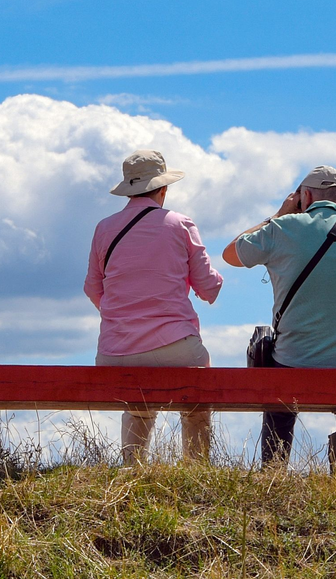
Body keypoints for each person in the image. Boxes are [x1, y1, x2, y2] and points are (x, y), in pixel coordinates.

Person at [222, 165, 336, 471]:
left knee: (275, 367)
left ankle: (274, 471)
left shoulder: (282, 229)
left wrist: (279, 214)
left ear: (305, 196)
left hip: (295, 360)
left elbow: (231, 254)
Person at [84, 150, 223, 465]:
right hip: (174, 346)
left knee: (138, 403)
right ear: (163, 188)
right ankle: (197, 468)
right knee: (197, 397)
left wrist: (122, 316)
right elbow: (209, 288)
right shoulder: (180, 223)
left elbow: (93, 288)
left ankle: (133, 468)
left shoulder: (104, 228)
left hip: (113, 352)